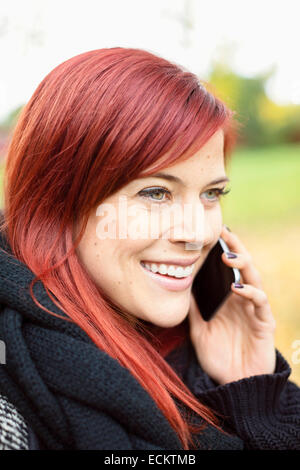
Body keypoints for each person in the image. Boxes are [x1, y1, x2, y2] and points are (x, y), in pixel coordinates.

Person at [0, 47, 299, 451]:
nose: (197, 233)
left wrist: (251, 391)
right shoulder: (12, 409)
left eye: (212, 193)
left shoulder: (194, 343)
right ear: (58, 201)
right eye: (156, 192)